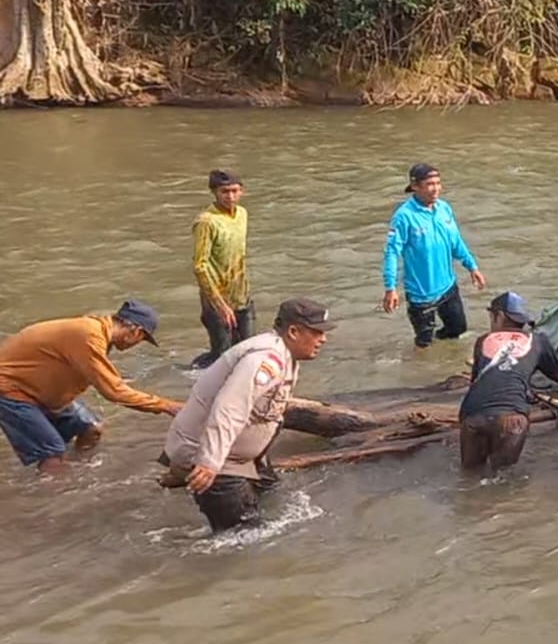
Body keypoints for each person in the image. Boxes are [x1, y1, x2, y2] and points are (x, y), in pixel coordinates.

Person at [163, 299, 335, 532]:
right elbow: (229, 408)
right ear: (293, 331)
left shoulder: (283, 354)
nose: (323, 339)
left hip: (242, 457)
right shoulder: (266, 359)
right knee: (246, 539)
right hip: (219, 462)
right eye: (317, 332)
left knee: (273, 498)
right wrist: (209, 462)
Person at [0, 300, 181, 473]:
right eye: (142, 339)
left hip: (38, 390)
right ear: (135, 331)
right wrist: (167, 406)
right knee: (52, 452)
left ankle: (78, 472)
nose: (136, 344)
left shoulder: (96, 333)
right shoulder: (89, 336)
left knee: (91, 429)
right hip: (12, 390)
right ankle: (52, 494)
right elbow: (114, 391)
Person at [459, 292, 558, 474]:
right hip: (511, 418)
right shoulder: (538, 341)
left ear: (500, 316)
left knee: (469, 476)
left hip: (472, 415)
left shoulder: (483, 341)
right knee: (503, 478)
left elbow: (475, 384)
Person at [381, 163, 488, 348]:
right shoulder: (404, 216)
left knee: (458, 330)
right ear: (415, 186)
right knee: (424, 345)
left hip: (448, 287)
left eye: (438, 183)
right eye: (430, 184)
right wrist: (391, 287)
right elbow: (392, 252)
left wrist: (472, 266)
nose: (436, 188)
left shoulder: (444, 209)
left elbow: (456, 242)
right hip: (421, 295)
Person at [190, 169, 253, 369]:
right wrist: (220, 304)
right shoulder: (206, 222)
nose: (231, 197)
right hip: (217, 299)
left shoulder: (242, 214)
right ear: (215, 192)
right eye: (225, 192)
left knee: (247, 351)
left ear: (242, 191)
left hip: (241, 295)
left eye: (235, 191)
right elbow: (200, 266)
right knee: (223, 359)